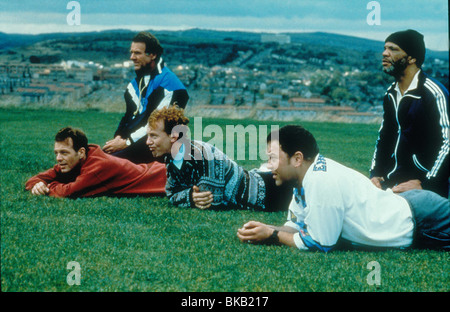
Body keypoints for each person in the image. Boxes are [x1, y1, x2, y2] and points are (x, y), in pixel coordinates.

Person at [237, 125, 450, 252]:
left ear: (297, 158)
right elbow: (297, 225)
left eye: (273, 158)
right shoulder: (305, 181)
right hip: (414, 210)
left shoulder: (321, 181)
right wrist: (264, 229)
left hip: (423, 219)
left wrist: (272, 235)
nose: (270, 165)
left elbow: (321, 243)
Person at [145, 106, 293, 211]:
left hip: (272, 192)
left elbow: (211, 201)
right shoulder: (172, 159)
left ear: (174, 136)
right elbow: (171, 193)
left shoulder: (204, 155)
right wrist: (190, 196)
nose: (148, 142)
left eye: (154, 136)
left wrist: (187, 195)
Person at [370, 29, 449, 198]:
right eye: (385, 48)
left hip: (425, 189)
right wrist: (375, 174)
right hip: (392, 185)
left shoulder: (433, 93)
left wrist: (427, 184)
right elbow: (385, 137)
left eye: (393, 49)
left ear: (412, 58)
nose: (384, 53)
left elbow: (448, 142)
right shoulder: (390, 94)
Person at [102, 31, 189, 164]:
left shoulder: (170, 85)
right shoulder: (135, 84)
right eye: (131, 52)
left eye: (137, 53)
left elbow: (156, 126)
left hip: (156, 150)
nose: (132, 57)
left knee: (103, 164)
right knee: (95, 159)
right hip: (134, 145)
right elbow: (128, 117)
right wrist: (118, 138)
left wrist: (126, 142)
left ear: (153, 55)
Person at [26, 127, 166, 198]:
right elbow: (34, 179)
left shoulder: (98, 166)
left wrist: (48, 187)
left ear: (80, 152)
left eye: (64, 152)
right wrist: (37, 183)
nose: (58, 158)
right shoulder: (76, 161)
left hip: (162, 177)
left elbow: (69, 192)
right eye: (56, 153)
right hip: (156, 172)